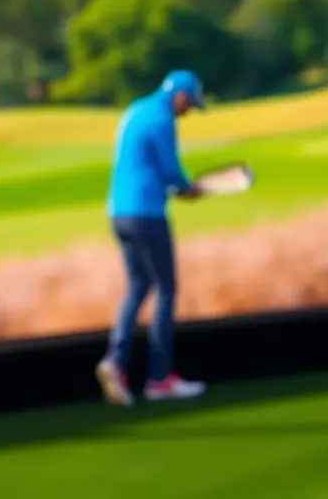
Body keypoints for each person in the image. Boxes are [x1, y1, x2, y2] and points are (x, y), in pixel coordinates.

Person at [95, 69, 210, 407]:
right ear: (180, 96)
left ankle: (114, 362)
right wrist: (188, 188)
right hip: (147, 215)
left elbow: (143, 165)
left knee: (137, 287)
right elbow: (170, 169)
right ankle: (160, 380)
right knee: (166, 288)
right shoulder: (163, 119)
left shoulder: (134, 110)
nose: (189, 111)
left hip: (118, 214)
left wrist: (174, 186)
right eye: (190, 104)